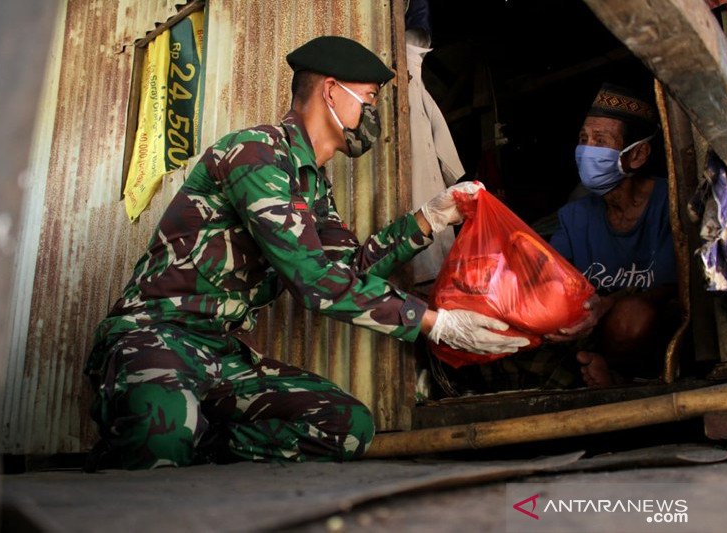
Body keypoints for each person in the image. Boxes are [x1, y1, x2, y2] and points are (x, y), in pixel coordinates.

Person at [84, 35, 528, 470]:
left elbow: (348, 270)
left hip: (220, 353)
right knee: (165, 436)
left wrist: (429, 219)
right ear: (331, 91)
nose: (372, 114)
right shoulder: (255, 155)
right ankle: (169, 432)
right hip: (156, 336)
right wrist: (434, 324)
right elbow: (313, 281)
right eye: (369, 99)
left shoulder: (312, 186)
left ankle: (195, 433)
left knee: (347, 426)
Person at [546, 82, 678, 388]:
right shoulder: (574, 216)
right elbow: (550, 276)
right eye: (583, 139)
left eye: (600, 140)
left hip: (653, 334)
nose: (586, 150)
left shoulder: (668, 202)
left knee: (630, 317)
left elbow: (673, 287)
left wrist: (609, 303)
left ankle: (623, 377)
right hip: (592, 335)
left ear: (638, 154)